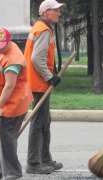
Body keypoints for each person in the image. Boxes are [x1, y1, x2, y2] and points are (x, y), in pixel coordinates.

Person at [0, 27, 33, 180]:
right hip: (4, 102)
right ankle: (1, 169)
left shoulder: (14, 59)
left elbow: (9, 86)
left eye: (0, 46)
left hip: (14, 103)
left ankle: (14, 171)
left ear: (8, 42)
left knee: (5, 138)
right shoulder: (1, 48)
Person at [24, 0, 66, 175]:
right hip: (39, 83)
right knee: (39, 122)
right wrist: (50, 77)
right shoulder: (43, 30)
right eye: (56, 11)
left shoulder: (39, 28)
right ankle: (34, 163)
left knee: (44, 121)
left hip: (36, 81)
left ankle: (45, 158)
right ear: (46, 12)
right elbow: (37, 58)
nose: (59, 13)